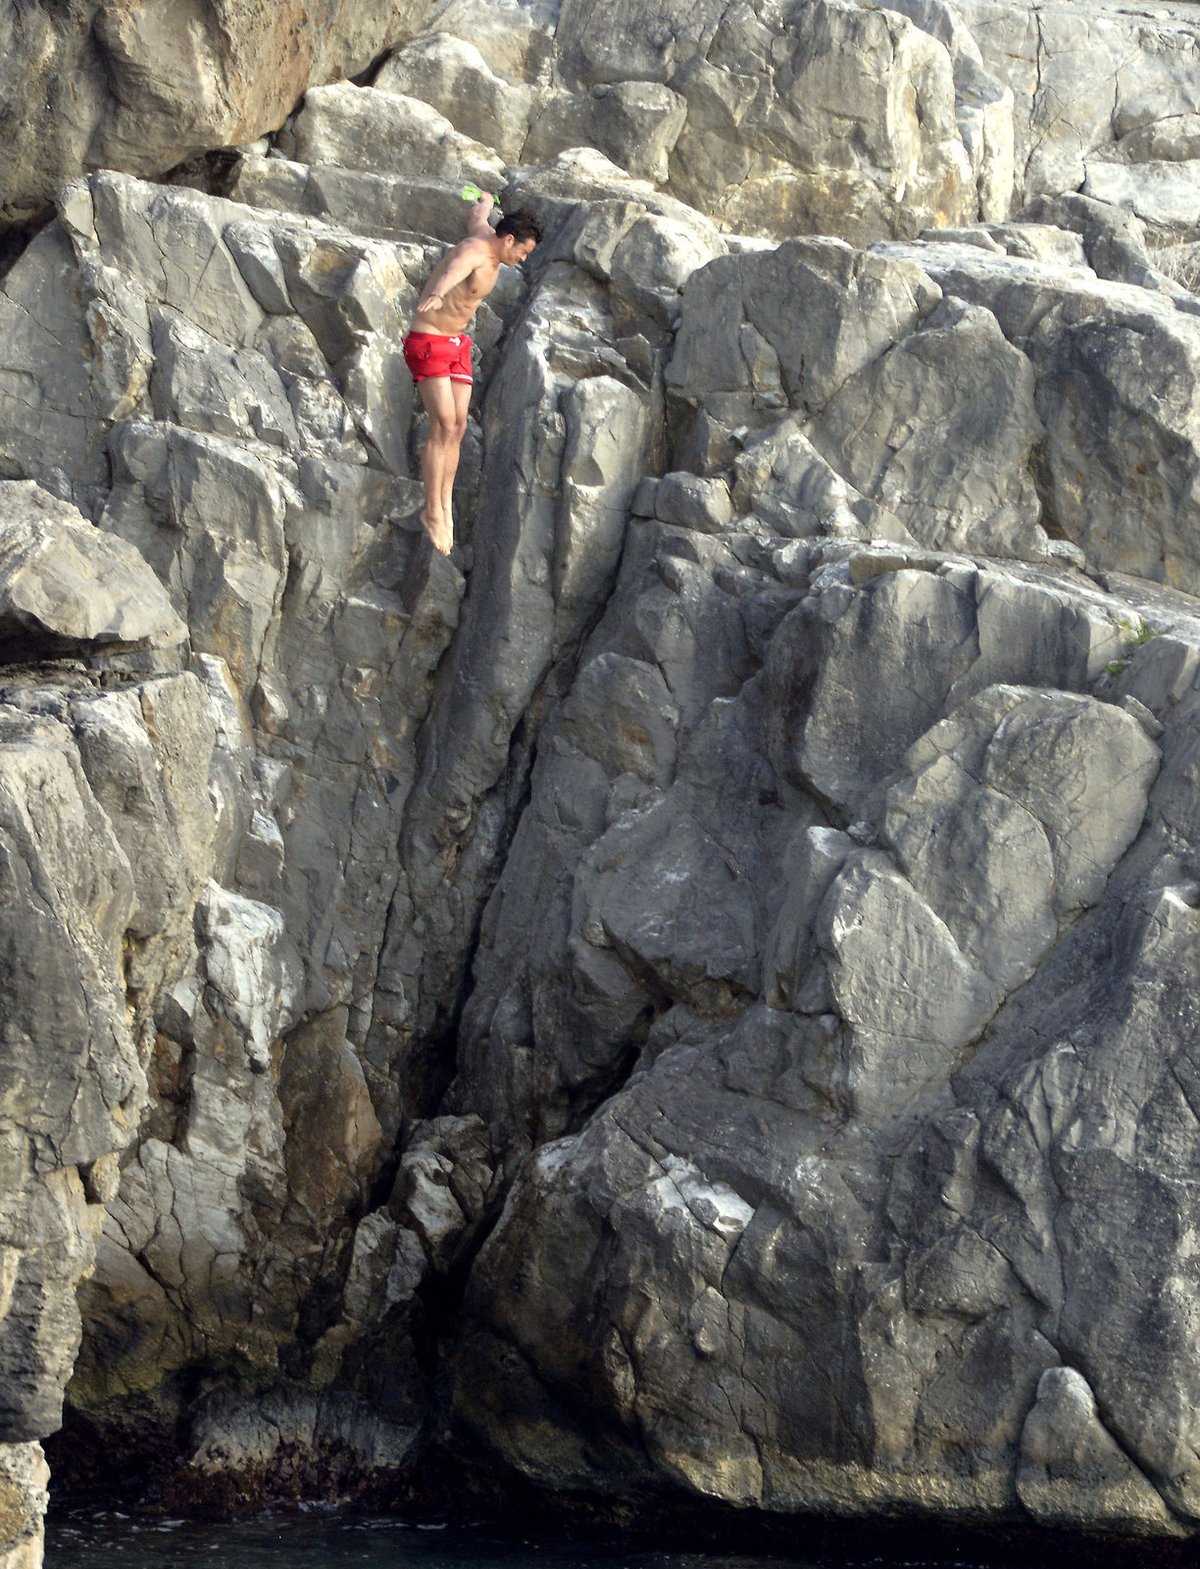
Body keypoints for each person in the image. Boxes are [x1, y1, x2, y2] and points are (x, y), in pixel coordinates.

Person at [403, 195, 543, 555]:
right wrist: (436, 292)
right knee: (445, 424)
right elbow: (454, 270)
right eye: (523, 252)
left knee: (460, 426)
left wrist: (484, 199)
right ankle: (431, 510)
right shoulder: (475, 252)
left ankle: (444, 503)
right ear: (509, 240)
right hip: (429, 341)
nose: (522, 260)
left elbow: (478, 215)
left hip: (456, 344)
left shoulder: (488, 233)